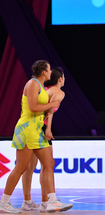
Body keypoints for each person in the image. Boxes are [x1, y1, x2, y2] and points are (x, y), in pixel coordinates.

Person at [0, 60, 72, 213]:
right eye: (49, 69)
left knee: (48, 164)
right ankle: (4, 202)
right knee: (21, 167)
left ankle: (52, 201)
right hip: (26, 130)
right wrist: (51, 105)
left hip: (37, 130)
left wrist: (47, 113)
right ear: (44, 72)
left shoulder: (41, 87)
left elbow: (41, 109)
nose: (51, 72)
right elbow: (33, 107)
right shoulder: (32, 84)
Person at [20, 68, 65, 213]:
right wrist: (48, 129)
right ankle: (46, 202)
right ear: (60, 79)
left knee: (29, 168)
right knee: (47, 165)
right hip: (41, 129)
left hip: (29, 127)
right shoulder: (59, 92)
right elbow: (50, 112)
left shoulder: (44, 89)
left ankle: (27, 201)